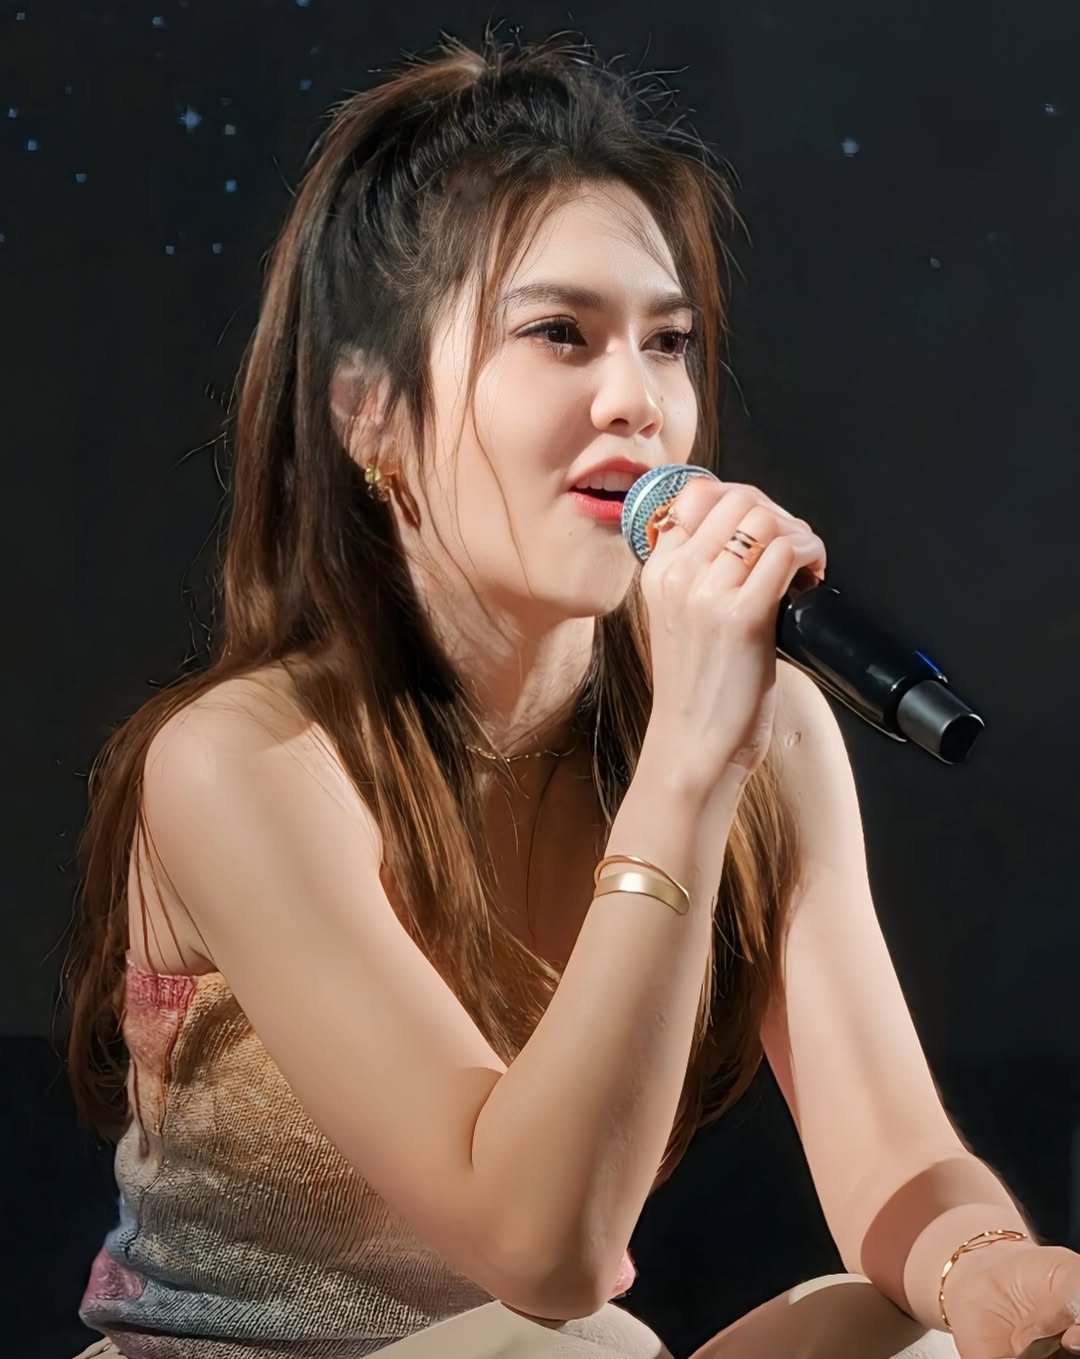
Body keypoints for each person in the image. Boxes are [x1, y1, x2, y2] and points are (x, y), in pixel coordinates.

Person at [66, 28, 1080, 1359]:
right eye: (560, 334)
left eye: (669, 344)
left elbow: (894, 1152)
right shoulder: (244, 761)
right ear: (370, 411)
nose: (637, 402)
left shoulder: (762, 725)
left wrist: (992, 1275)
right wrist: (689, 766)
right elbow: (548, 1254)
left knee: (906, 1338)